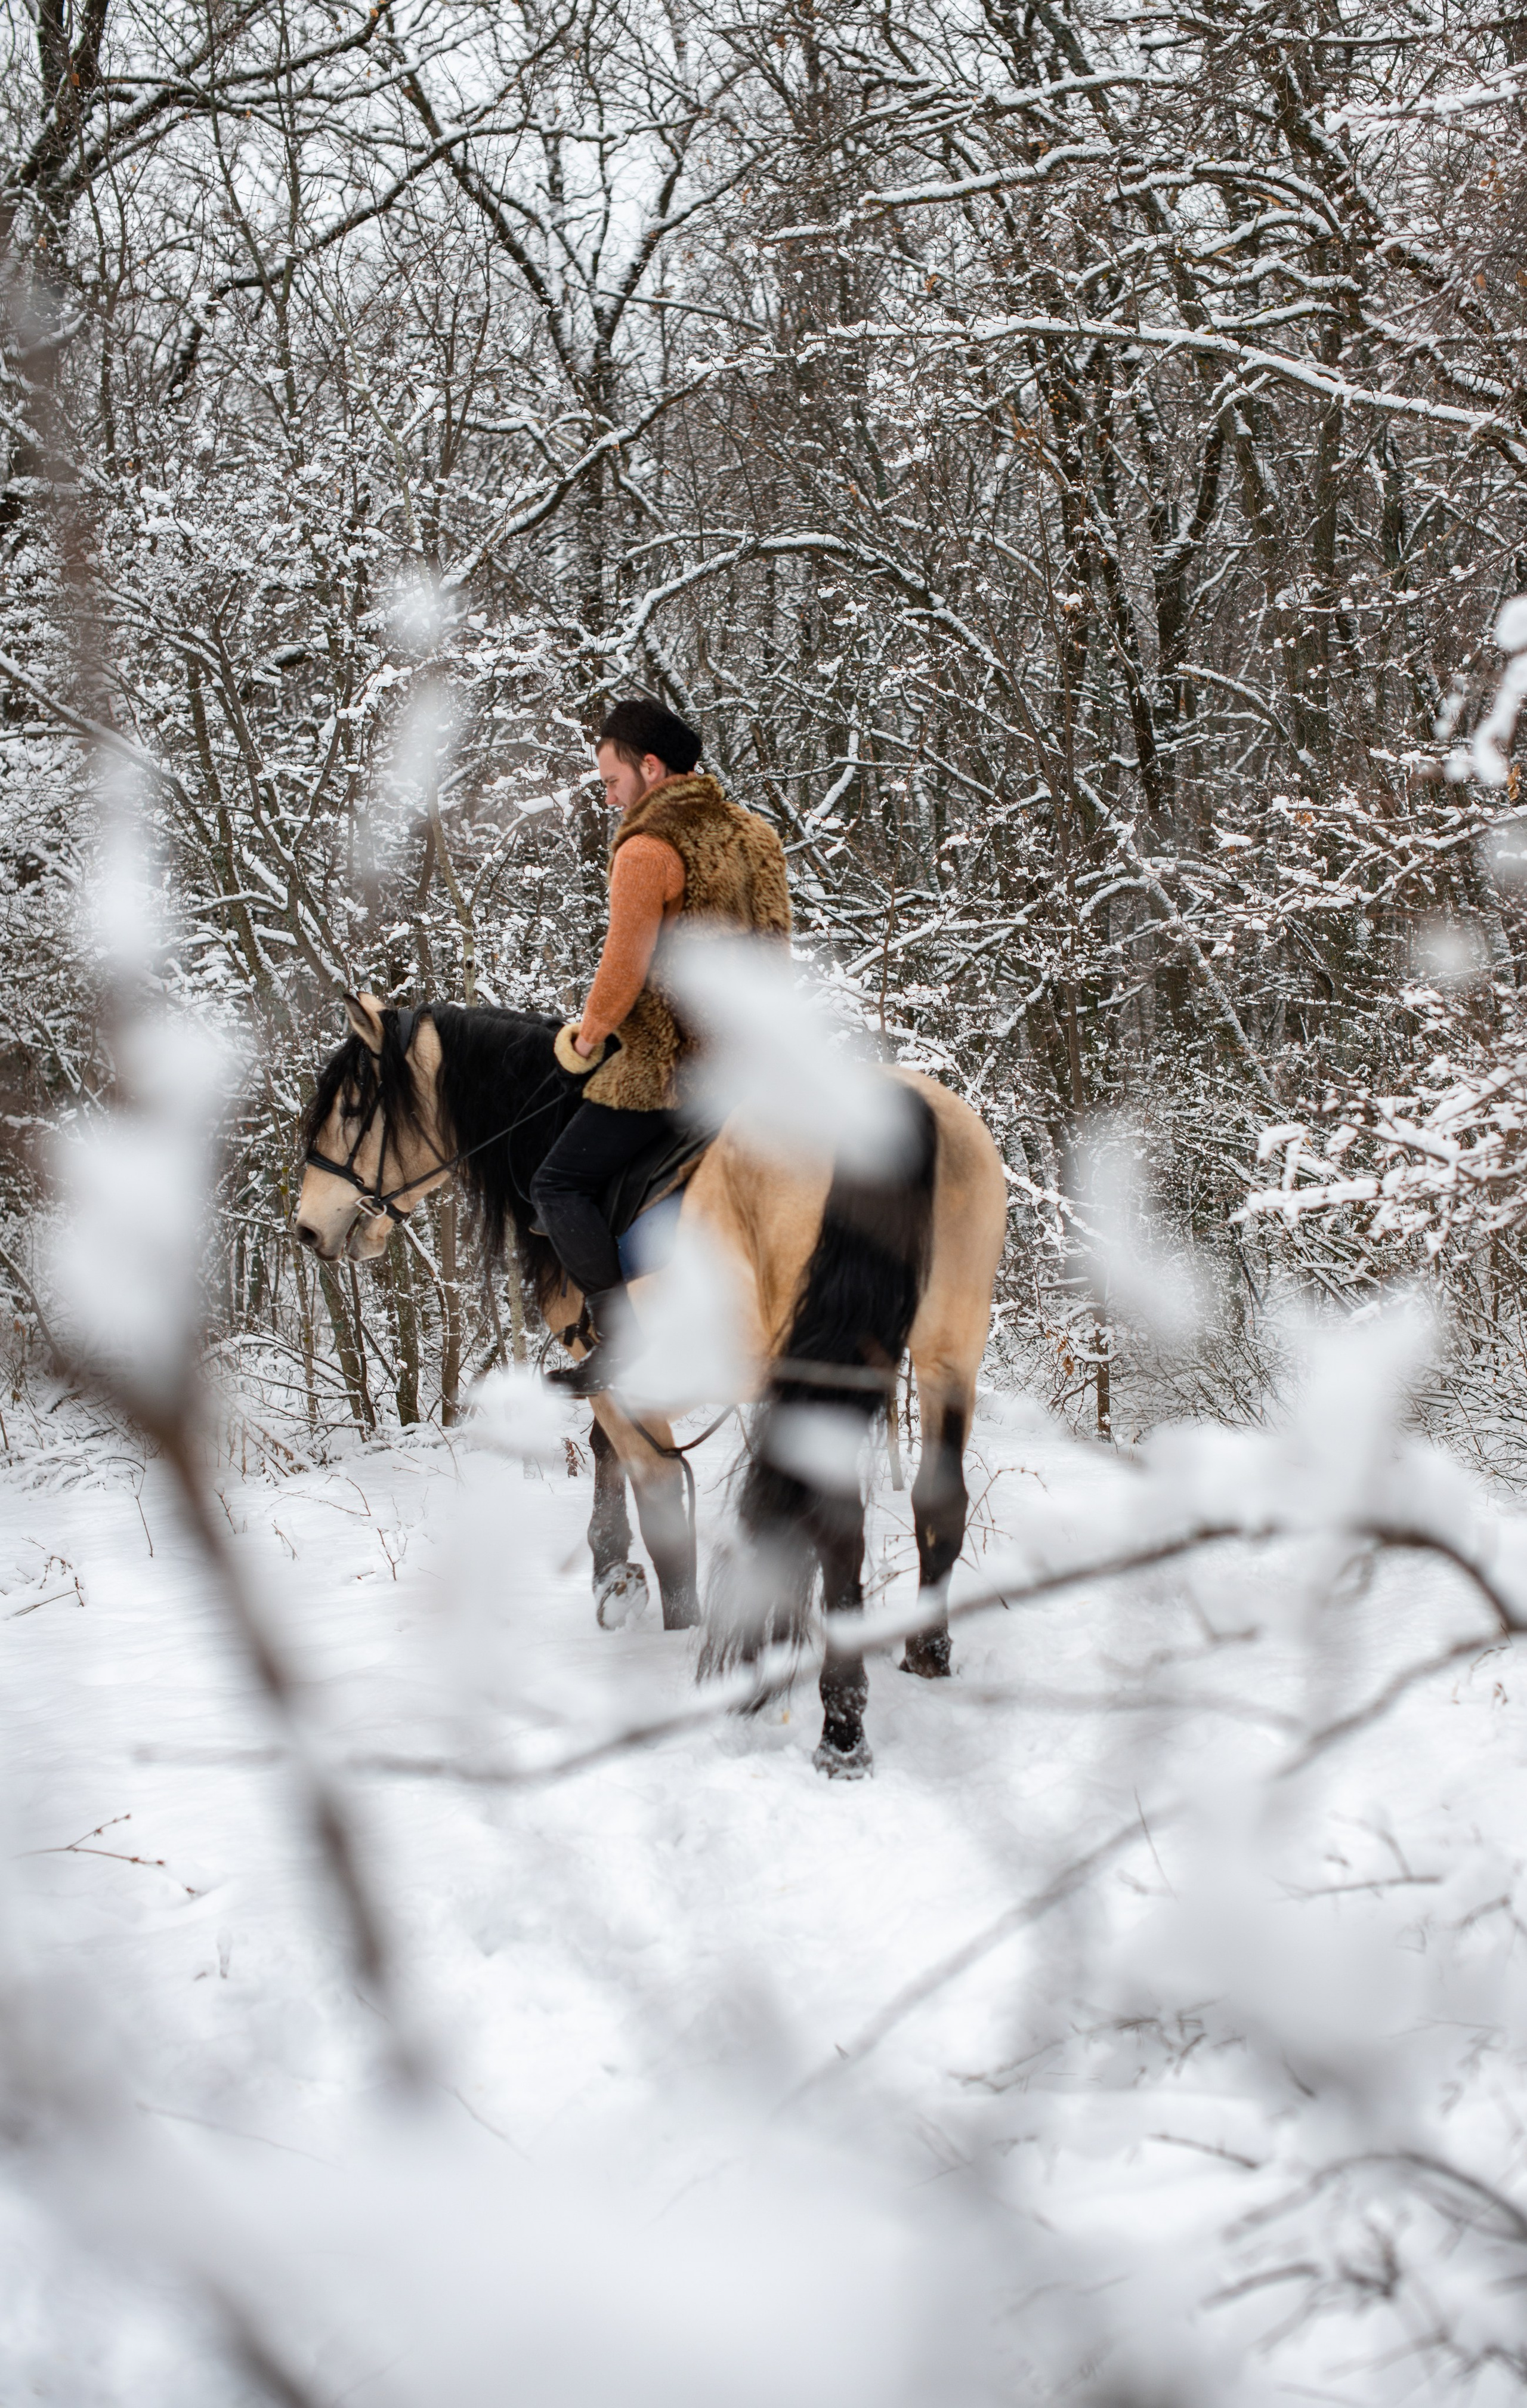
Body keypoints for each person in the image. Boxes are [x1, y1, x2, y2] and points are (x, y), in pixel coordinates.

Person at [532, 697, 791, 1397]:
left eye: (613, 781)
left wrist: (584, 1040)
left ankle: (623, 1333)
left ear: (651, 768)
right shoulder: (755, 835)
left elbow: (624, 969)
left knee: (556, 1183)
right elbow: (775, 952)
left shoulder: (647, 848)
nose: (609, 797)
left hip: (668, 1073)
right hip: (748, 1071)